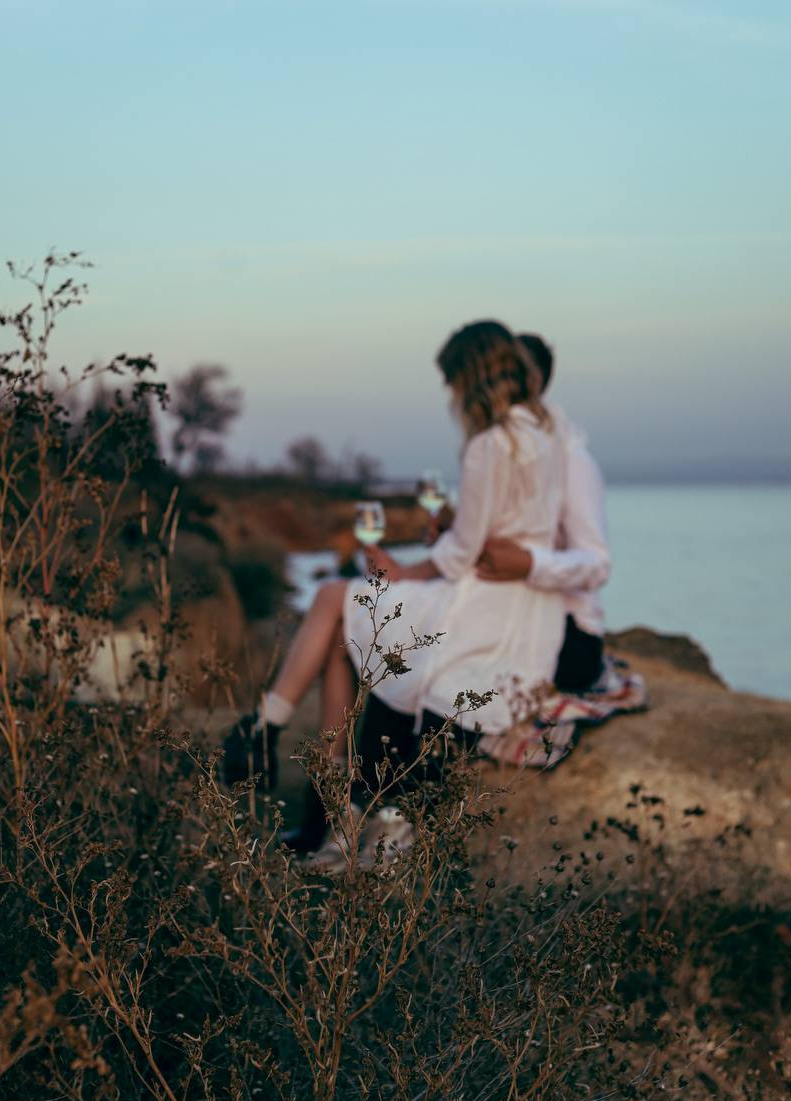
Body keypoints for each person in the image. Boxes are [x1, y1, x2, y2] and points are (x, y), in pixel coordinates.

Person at [222, 320, 571, 834]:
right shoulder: (544, 439)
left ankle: (277, 740)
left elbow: (461, 555)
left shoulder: (489, 446)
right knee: (340, 615)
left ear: (471, 379)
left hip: (479, 607)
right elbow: (505, 533)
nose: (451, 396)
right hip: (526, 610)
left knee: (333, 598)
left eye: (452, 382)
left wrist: (404, 570)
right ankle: (311, 783)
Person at [475, 333, 610, 693]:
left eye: (502, 372)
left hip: (568, 635)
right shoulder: (501, 451)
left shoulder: (572, 460)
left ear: (533, 381)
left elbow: (598, 564)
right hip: (505, 612)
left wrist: (530, 563)